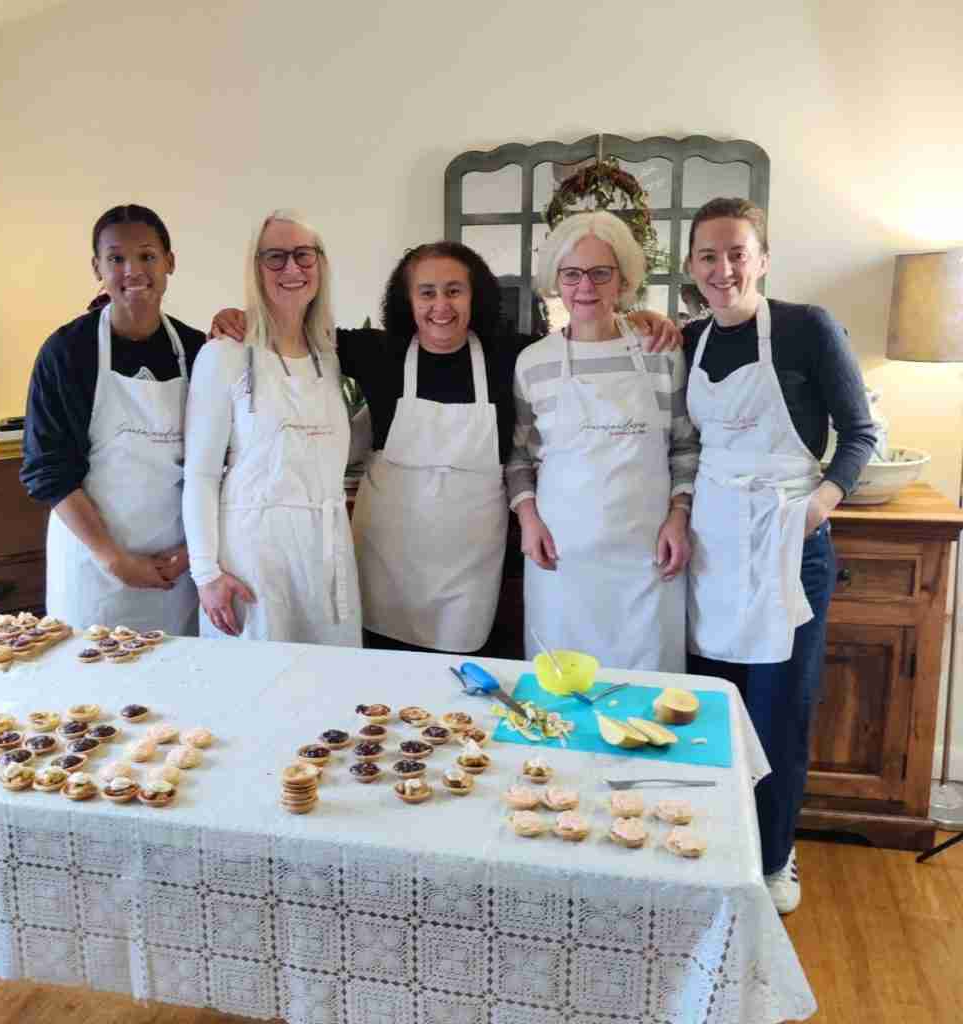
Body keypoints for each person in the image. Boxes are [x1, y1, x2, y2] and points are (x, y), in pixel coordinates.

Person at [210, 243, 680, 654]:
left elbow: (587, 336)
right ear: (407, 301)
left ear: (475, 297)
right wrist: (242, 318)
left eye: (455, 290)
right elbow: (294, 329)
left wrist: (637, 320)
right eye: (427, 292)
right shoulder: (377, 353)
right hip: (387, 559)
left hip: (468, 566)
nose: (441, 306)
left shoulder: (511, 355)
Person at [682, 197, 877, 914]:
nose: (723, 267)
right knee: (714, 708)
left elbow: (860, 432)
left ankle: (772, 857)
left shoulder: (806, 329)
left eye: (737, 252)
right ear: (691, 265)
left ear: (761, 259)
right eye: (708, 255)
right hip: (714, 549)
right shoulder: (687, 341)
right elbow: (686, 445)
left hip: (789, 546)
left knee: (779, 710)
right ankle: (715, 844)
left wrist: (820, 506)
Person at [509, 211, 698, 673]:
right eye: (571, 274)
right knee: (561, 698)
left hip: (647, 561)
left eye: (600, 273)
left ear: (623, 279)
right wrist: (528, 519)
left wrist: (679, 516)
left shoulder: (661, 353)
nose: (585, 287)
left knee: (647, 699)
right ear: (557, 280)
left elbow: (685, 447)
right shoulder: (533, 362)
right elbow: (518, 456)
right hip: (562, 562)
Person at [21, 204, 203, 634]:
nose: (132, 271)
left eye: (147, 256)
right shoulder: (67, 352)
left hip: (177, 570)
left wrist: (191, 552)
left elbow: (223, 462)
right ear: (97, 267)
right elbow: (49, 469)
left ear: (169, 262)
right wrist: (113, 558)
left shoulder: (198, 352)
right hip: (93, 570)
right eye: (116, 259)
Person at [183, 210, 361, 644]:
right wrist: (205, 573)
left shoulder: (331, 356)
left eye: (304, 255)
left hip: (328, 555)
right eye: (275, 257)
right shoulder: (225, 355)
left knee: (330, 694)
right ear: (255, 268)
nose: (293, 268)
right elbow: (201, 475)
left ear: (320, 263)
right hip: (252, 562)